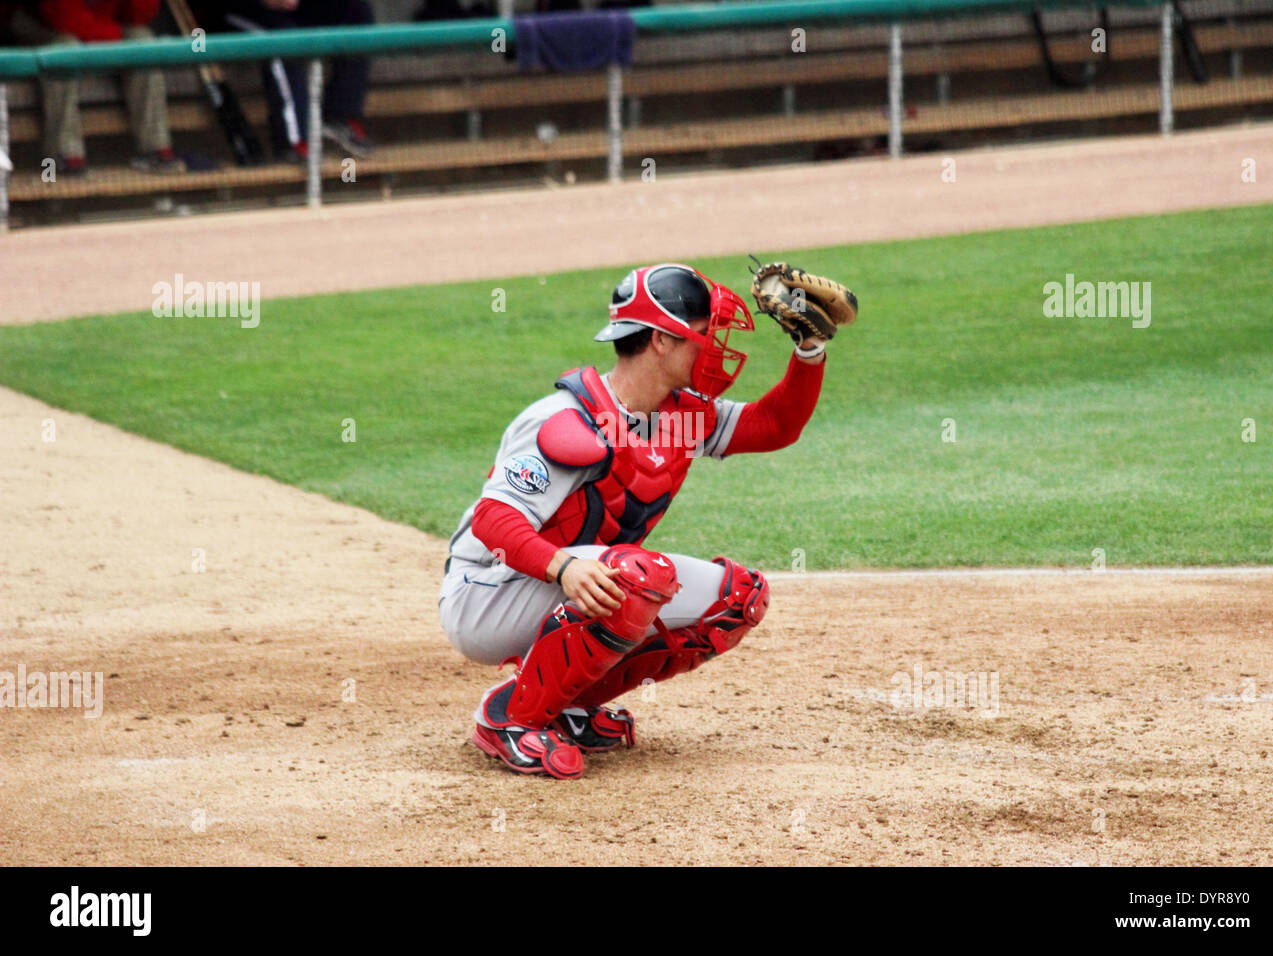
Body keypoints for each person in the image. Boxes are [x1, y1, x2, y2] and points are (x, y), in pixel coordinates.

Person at [438, 262, 845, 780]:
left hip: (572, 580)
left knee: (737, 597)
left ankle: (569, 707)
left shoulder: (681, 414)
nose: (714, 348)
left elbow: (775, 425)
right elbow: (493, 521)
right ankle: (509, 716)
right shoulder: (567, 419)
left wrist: (809, 352)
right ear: (659, 339)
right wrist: (563, 569)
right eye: (703, 335)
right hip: (488, 594)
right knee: (636, 578)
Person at [3, 0, 183, 174]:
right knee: (64, 48)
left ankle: (154, 149)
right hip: (40, 24)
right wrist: (116, 43)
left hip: (99, 23)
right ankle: (63, 154)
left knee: (142, 40)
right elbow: (64, 18)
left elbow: (138, 16)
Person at [202, 0, 374, 162]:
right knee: (282, 37)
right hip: (230, 10)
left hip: (291, 9)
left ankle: (340, 116)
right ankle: (294, 142)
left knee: (355, 10)